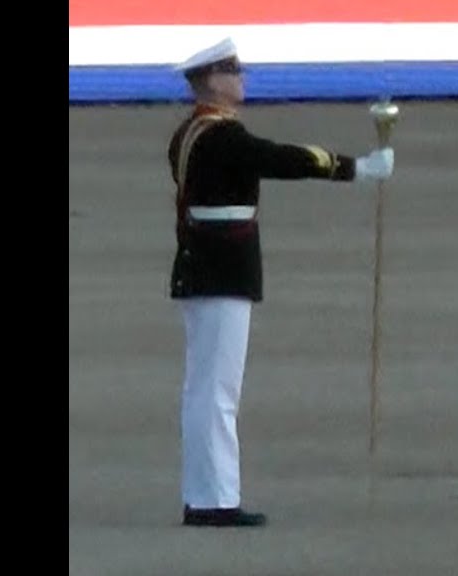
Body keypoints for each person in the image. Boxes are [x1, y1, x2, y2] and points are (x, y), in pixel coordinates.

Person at [167, 38, 395, 527]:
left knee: (205, 390)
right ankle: (214, 501)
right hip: (221, 270)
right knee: (216, 393)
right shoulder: (219, 137)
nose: (242, 78)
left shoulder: (193, 132)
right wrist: (357, 169)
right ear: (211, 81)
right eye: (233, 71)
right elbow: (283, 158)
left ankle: (206, 493)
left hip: (206, 266)